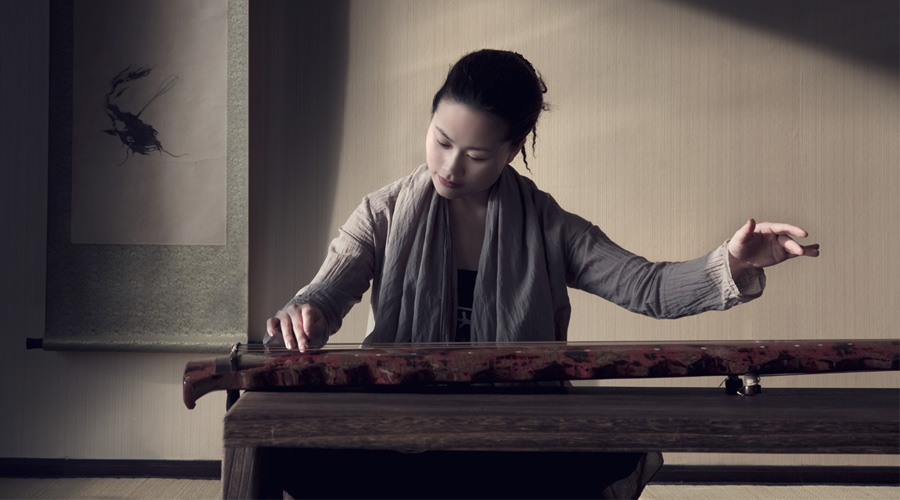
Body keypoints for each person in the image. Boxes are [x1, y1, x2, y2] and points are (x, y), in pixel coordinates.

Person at [265, 49, 819, 498]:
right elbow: (327, 291)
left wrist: (734, 262)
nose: (450, 167)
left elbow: (647, 287)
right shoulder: (382, 214)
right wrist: (307, 312)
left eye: (476, 155)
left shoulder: (549, 225)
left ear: (512, 150)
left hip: (514, 432)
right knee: (280, 441)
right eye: (441, 140)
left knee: (607, 443)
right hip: (399, 422)